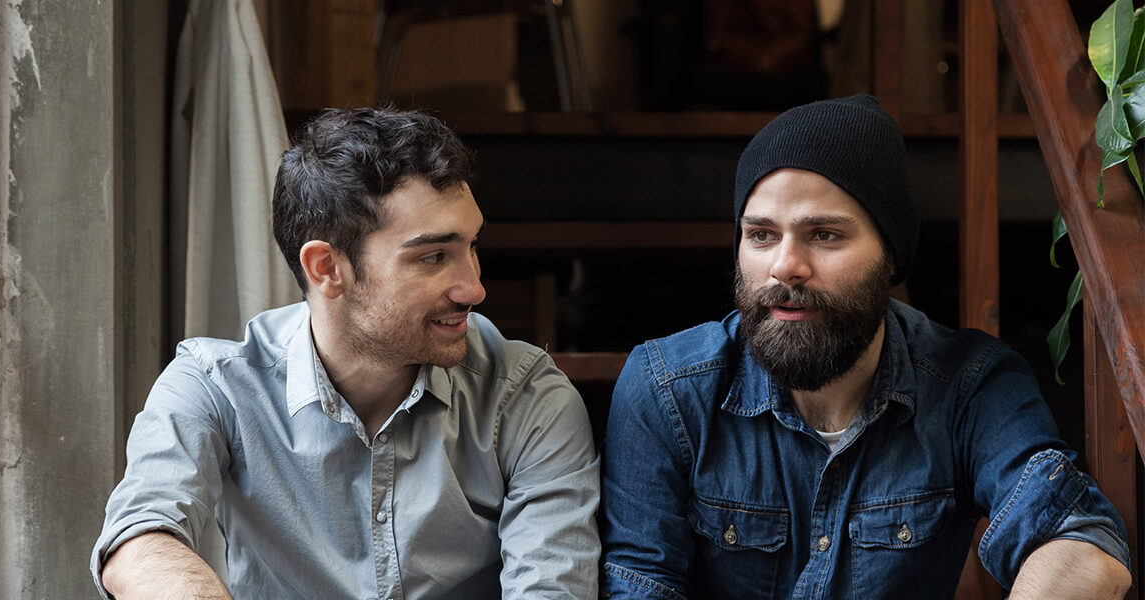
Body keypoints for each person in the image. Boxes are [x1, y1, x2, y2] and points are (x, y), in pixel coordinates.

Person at [599, 95, 1131, 599]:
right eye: (761, 235)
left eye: (825, 234)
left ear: (891, 256)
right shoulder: (667, 391)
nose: (785, 265)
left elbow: (1083, 548)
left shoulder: (968, 387)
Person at [92, 108, 600, 600]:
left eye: (472, 246)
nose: (474, 288)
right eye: (433, 257)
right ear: (326, 268)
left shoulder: (528, 396)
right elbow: (138, 540)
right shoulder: (215, 385)